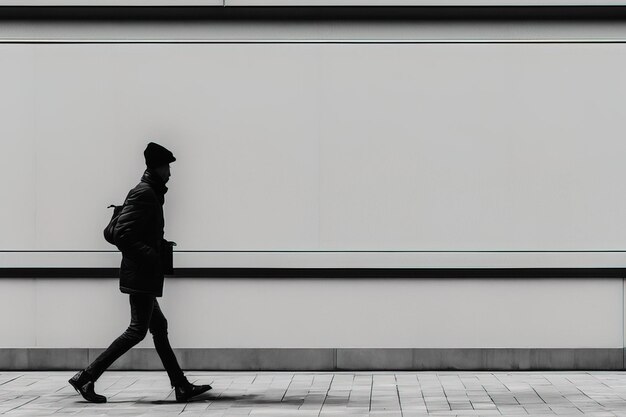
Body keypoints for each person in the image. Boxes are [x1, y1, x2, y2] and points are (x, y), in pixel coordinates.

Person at [69, 142, 211, 403]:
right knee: (136, 330)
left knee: (159, 327)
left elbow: (135, 231)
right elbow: (121, 233)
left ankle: (181, 386)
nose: (171, 172)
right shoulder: (144, 193)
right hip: (141, 275)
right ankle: (86, 376)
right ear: (157, 168)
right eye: (168, 166)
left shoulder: (151, 192)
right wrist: (151, 255)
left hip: (143, 274)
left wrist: (157, 248)